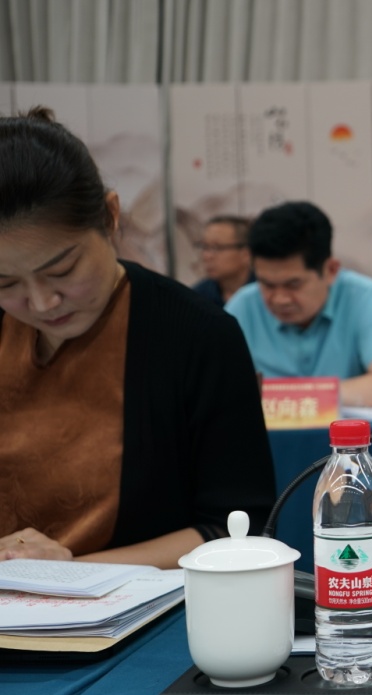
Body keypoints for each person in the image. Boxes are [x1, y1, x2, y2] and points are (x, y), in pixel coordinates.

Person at [0, 107, 274, 567]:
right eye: (6, 283)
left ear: (110, 216)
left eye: (62, 270)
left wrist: (70, 572)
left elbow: (237, 525)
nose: (43, 302)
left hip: (142, 604)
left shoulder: (196, 335)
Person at [225, 201, 372, 408]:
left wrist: (283, 398)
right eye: (267, 285)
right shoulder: (242, 307)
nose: (280, 299)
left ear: (330, 270)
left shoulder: (363, 297)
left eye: (293, 285)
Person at [192, 215, 254, 306]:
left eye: (217, 247)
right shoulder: (198, 297)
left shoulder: (266, 292)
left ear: (246, 254)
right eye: (204, 247)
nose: (207, 256)